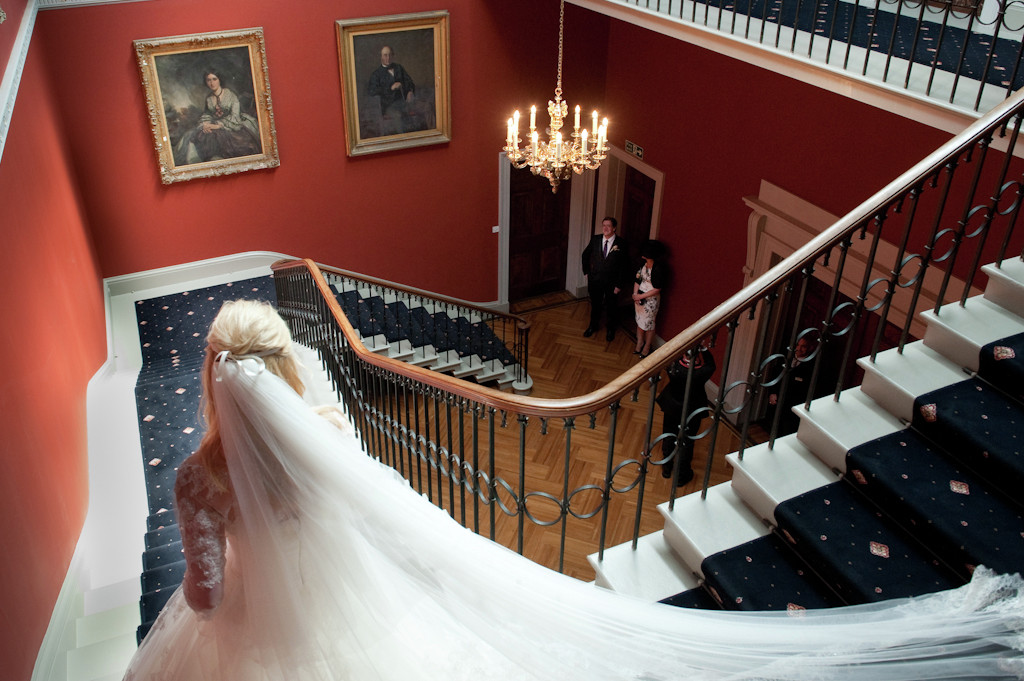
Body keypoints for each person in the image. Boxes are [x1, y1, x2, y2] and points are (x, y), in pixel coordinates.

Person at [122, 299, 1024, 681]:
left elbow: (204, 593)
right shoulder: (322, 429)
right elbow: (362, 514)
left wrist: (242, 579)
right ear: (285, 370)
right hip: (355, 606)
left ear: (213, 380)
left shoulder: (197, 481)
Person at [656, 341, 716, 485]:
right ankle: (682, 476)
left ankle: (666, 467)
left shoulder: (674, 367)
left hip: (672, 407)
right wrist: (704, 348)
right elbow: (711, 365)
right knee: (687, 442)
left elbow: (671, 356)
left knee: (668, 436)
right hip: (692, 411)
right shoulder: (700, 373)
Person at [174, 69, 262, 166]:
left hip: (232, 125)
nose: (212, 83)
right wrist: (205, 124)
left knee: (225, 139)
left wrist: (218, 125)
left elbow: (235, 116)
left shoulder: (230, 95)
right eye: (208, 80)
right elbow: (207, 114)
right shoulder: (209, 98)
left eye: (214, 79)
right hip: (214, 125)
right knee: (196, 135)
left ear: (220, 80)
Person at [582, 217, 631, 341]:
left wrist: (619, 285)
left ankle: (610, 329)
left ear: (614, 228)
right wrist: (586, 271)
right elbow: (585, 255)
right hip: (595, 280)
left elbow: (624, 266)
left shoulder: (621, 243)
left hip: (612, 283)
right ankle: (593, 326)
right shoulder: (595, 239)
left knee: (611, 307)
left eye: (608, 226)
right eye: (604, 225)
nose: (605, 228)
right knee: (595, 305)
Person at [767, 335, 816, 435]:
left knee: (787, 432)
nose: (799, 349)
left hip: (793, 407)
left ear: (811, 348)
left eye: (803, 346)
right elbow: (775, 376)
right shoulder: (785, 357)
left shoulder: (812, 366)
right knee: (771, 429)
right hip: (777, 402)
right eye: (798, 345)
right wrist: (772, 393)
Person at [367, 45, 416, 129]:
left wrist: (410, 91)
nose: (388, 58)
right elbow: (372, 91)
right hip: (388, 106)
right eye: (385, 55)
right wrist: (390, 88)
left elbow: (409, 81)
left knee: (426, 108)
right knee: (398, 115)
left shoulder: (399, 68)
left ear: (393, 56)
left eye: (390, 55)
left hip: (404, 102)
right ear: (381, 56)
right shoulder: (376, 74)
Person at [632, 240, 667, 358]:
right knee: (639, 322)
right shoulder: (642, 264)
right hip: (639, 297)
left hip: (651, 301)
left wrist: (640, 296)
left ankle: (647, 346)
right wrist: (635, 294)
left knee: (649, 325)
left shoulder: (658, 268)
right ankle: (639, 342)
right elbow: (637, 280)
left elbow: (657, 289)